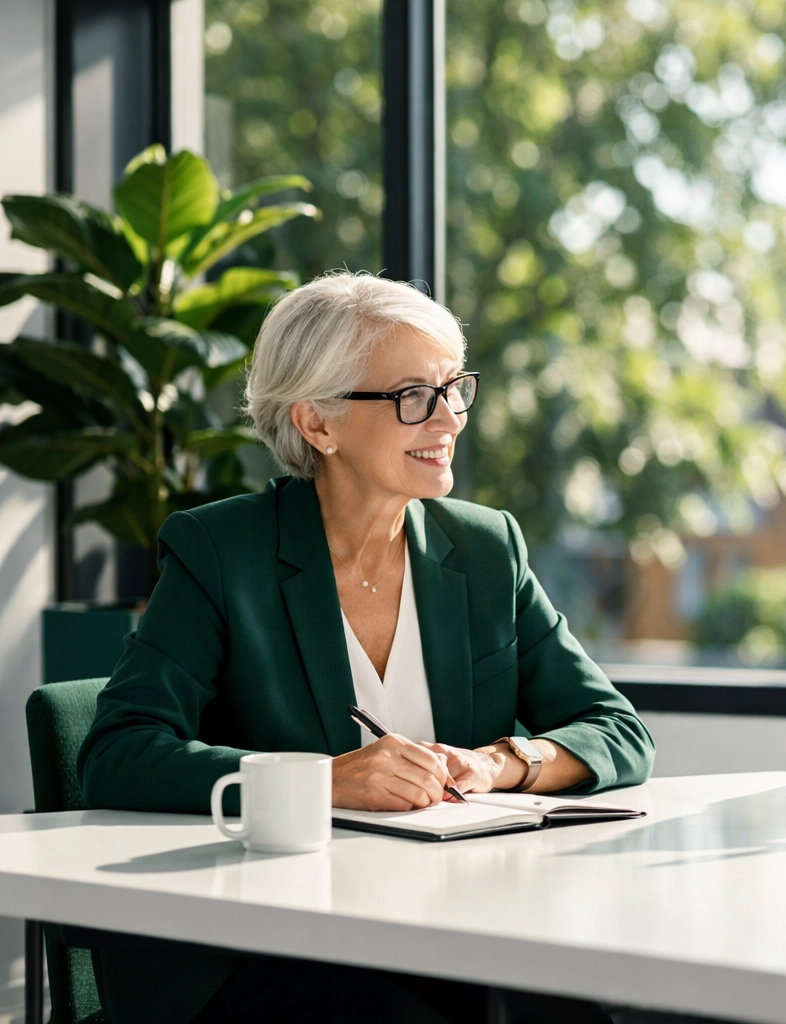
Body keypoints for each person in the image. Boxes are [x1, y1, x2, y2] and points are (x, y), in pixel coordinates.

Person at [77, 272, 653, 1024]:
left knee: (564, 1002)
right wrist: (327, 781)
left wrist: (499, 762)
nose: (447, 419)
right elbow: (117, 753)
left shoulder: (484, 548)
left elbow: (618, 733)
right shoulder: (222, 551)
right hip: (266, 949)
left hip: (451, 921)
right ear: (318, 423)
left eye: (454, 389)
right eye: (414, 396)